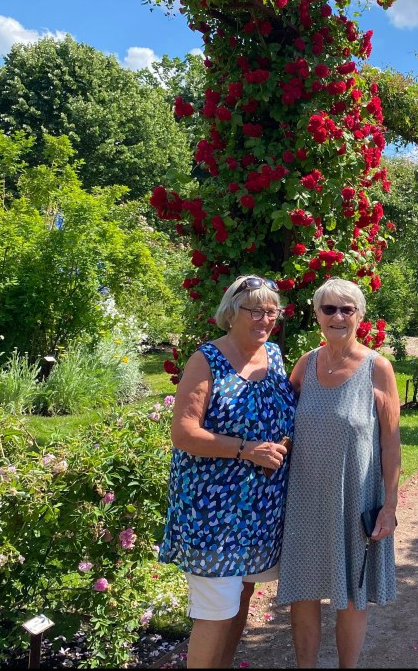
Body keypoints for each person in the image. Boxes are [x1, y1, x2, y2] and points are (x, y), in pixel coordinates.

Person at [160, 275, 296, 669]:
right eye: (256, 311)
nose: (265, 319)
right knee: (216, 609)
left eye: (272, 312)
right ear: (232, 313)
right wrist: (246, 450)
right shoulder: (207, 360)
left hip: (259, 511)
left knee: (241, 598)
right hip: (213, 512)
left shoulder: (274, 356)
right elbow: (184, 432)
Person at [277, 278, 401, 668]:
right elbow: (284, 424)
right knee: (303, 592)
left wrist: (389, 507)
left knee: (351, 595)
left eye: (347, 309)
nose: (338, 316)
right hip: (305, 498)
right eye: (329, 308)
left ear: (360, 316)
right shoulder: (306, 364)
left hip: (355, 498)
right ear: (317, 315)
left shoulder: (378, 368)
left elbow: (391, 443)